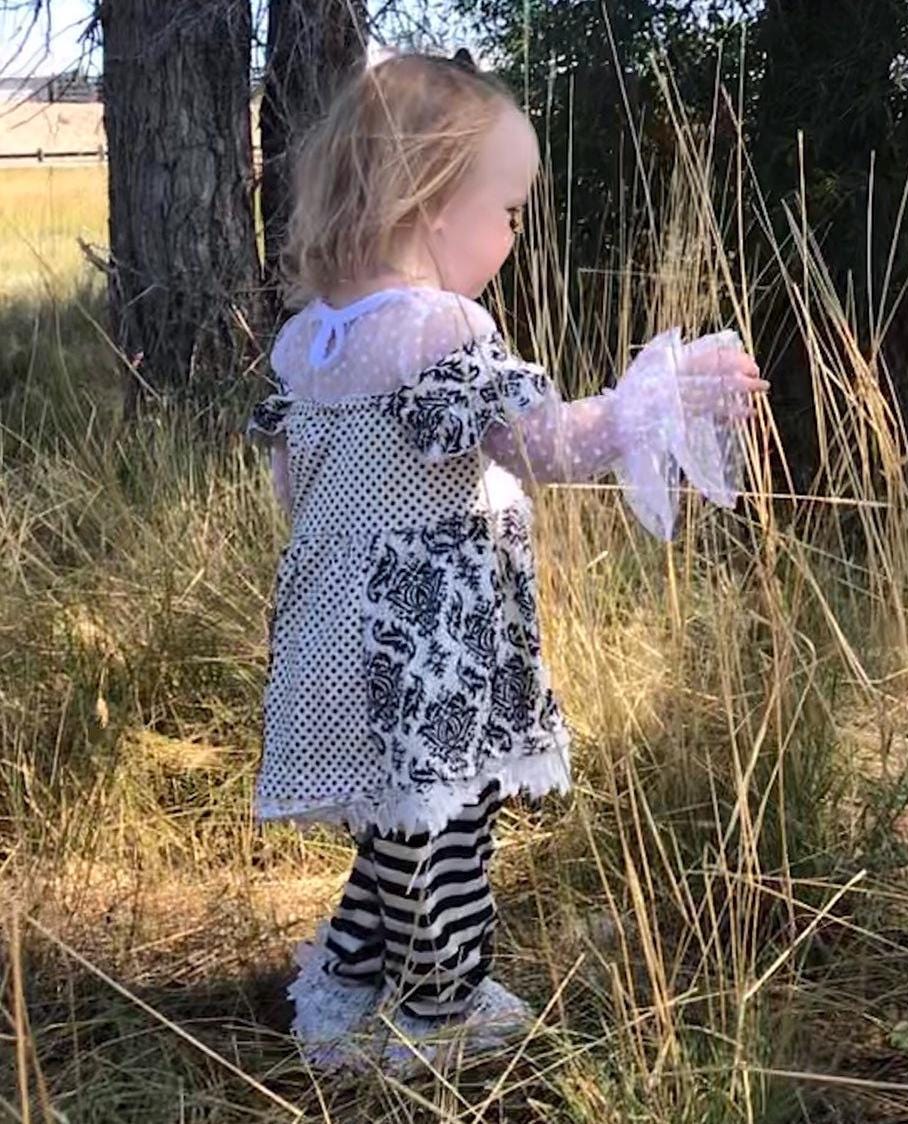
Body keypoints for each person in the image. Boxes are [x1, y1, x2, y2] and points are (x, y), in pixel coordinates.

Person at [245, 49, 769, 1075]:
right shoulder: (443, 326)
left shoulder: (304, 344)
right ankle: (438, 1011)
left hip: (330, 643)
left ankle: (347, 980)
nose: (514, 231)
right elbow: (546, 447)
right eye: (509, 207)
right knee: (449, 831)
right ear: (431, 204)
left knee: (400, 826)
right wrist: (650, 399)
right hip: (430, 652)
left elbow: (298, 488)